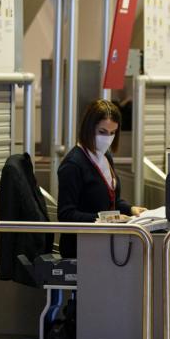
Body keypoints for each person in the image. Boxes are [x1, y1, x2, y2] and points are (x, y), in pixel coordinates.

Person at [57, 100, 145, 258]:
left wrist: (131, 209)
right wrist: (107, 219)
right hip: (81, 248)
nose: (108, 138)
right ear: (89, 128)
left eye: (113, 133)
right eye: (102, 132)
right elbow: (66, 214)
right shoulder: (73, 164)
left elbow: (112, 200)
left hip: (105, 242)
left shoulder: (105, 156)